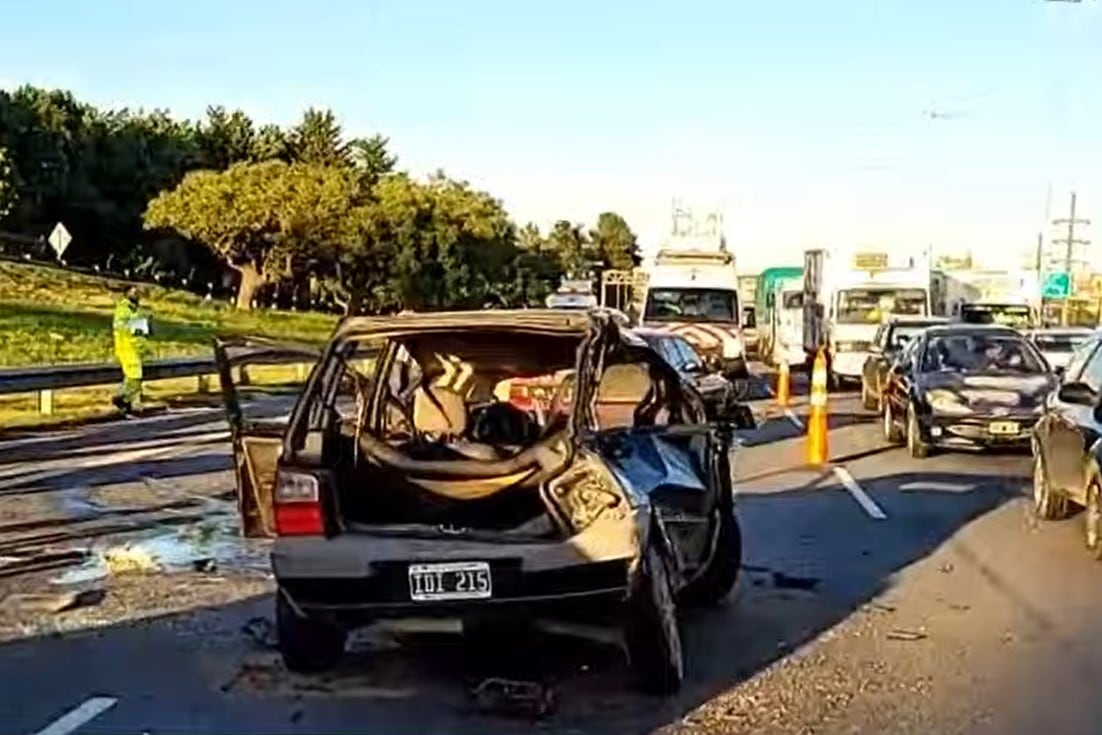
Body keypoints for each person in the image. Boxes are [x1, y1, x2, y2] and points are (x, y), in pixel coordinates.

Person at [112, 286, 150, 415]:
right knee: (135, 376)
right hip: (126, 347)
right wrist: (138, 325)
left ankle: (126, 406)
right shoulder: (123, 309)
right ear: (126, 294)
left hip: (136, 348)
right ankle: (121, 398)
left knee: (132, 377)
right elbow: (121, 327)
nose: (137, 294)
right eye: (134, 292)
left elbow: (141, 329)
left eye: (138, 292)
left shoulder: (135, 310)